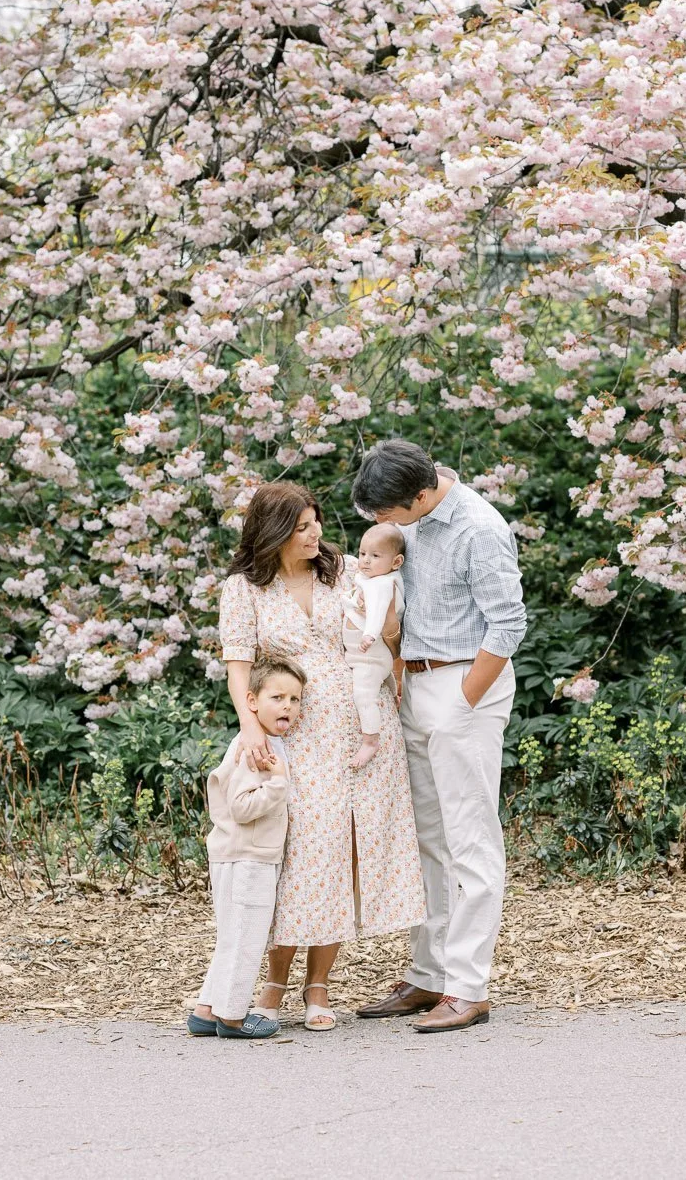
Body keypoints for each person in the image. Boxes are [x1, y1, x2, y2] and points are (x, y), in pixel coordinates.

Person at [217, 480, 427, 1031]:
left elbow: (388, 626)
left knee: (344, 849)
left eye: (316, 523)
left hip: (361, 729)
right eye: (303, 526)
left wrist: (393, 648)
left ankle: (319, 985)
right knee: (302, 853)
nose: (316, 535)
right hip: (296, 729)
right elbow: (239, 664)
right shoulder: (244, 588)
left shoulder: (343, 571)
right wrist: (249, 724)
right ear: (276, 532)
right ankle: (273, 981)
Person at [350, 440, 527, 1034]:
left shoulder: (480, 528)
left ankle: (469, 988)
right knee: (427, 839)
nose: (378, 525)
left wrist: (464, 699)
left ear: (420, 496)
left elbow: (508, 623)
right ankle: (429, 975)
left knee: (471, 839)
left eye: (385, 514)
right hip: (416, 685)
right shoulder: (416, 514)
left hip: (462, 689)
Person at [187, 656, 300, 1040]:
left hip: (240, 854)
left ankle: (206, 1010)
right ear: (251, 701)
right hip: (247, 857)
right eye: (278, 697)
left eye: (295, 699)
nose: (287, 706)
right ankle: (233, 1017)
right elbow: (242, 806)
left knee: (232, 936)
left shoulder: (269, 743)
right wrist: (279, 785)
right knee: (247, 939)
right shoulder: (252, 747)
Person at [343, 523, 405, 770]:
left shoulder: (382, 584)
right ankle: (390, 685)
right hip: (363, 657)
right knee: (372, 681)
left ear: (396, 561)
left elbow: (379, 612)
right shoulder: (371, 579)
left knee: (363, 695)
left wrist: (369, 634)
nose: (366, 561)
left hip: (369, 655)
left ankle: (370, 740)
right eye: (362, 554)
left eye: (375, 556)